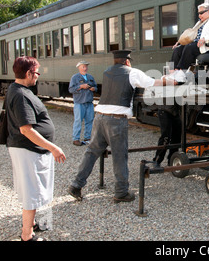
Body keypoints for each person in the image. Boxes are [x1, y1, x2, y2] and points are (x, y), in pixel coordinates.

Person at [68, 50, 177, 203]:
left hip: (99, 117)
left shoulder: (107, 72)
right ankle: (121, 192)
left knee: (91, 152)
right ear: (127, 61)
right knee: (119, 156)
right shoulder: (132, 72)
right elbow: (153, 83)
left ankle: (76, 185)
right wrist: (171, 80)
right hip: (116, 120)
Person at [6, 56, 66, 241]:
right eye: (36, 72)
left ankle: (30, 224)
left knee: (33, 189)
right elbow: (26, 129)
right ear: (28, 73)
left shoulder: (17, 90)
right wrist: (53, 148)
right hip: (28, 150)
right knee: (32, 191)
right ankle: (27, 235)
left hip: (30, 150)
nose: (38, 76)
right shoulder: (21, 96)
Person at [170, 3, 209, 71]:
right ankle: (173, 73)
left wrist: (205, 39)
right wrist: (180, 42)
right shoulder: (200, 23)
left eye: (201, 13)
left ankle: (180, 73)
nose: (199, 15)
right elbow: (192, 35)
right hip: (198, 45)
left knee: (190, 47)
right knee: (178, 49)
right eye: (198, 13)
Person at [69, 61, 97, 146]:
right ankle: (76, 139)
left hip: (89, 103)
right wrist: (81, 86)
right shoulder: (75, 77)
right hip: (79, 103)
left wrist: (93, 89)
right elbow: (71, 89)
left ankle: (87, 138)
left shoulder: (90, 77)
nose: (85, 68)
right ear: (79, 67)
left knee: (90, 120)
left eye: (86, 67)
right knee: (78, 121)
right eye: (83, 67)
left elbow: (96, 87)